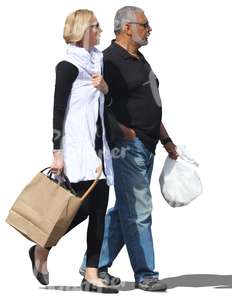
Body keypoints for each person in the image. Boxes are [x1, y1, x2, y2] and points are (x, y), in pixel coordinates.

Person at [80, 6, 178, 292]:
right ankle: (146, 274)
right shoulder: (108, 60)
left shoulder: (139, 60)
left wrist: (166, 139)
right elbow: (96, 104)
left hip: (148, 145)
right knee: (138, 209)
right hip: (128, 147)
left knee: (126, 208)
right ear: (127, 27)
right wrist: (124, 132)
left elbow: (149, 103)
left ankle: (93, 265)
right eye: (145, 25)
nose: (149, 29)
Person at [28, 9, 118, 294]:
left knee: (96, 204)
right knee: (85, 205)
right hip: (77, 148)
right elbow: (58, 110)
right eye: (95, 26)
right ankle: (45, 248)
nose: (100, 31)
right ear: (82, 30)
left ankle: (86, 270)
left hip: (98, 146)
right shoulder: (67, 65)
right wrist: (57, 151)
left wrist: (105, 88)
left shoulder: (97, 62)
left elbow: (107, 103)